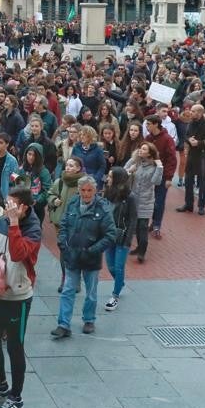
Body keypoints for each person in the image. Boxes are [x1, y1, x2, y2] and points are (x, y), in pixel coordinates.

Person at [0, 186, 41, 408]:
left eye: (12, 205)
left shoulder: (33, 229)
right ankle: (1, 384)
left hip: (18, 298)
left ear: (24, 207)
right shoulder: (1, 222)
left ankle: (16, 396)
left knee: (15, 346)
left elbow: (18, 254)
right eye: (7, 203)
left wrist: (14, 224)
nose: (7, 208)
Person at [53, 177, 113, 338]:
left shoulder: (103, 208)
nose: (86, 194)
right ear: (79, 190)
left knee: (91, 293)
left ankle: (89, 320)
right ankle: (63, 324)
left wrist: (93, 250)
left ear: (95, 190)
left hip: (91, 259)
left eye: (89, 190)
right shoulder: (73, 203)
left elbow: (110, 235)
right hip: (72, 256)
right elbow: (64, 225)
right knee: (67, 291)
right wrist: (63, 245)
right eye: (83, 190)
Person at [101, 167, 136, 312]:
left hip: (122, 236)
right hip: (109, 235)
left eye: (110, 176)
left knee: (119, 266)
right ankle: (119, 282)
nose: (107, 179)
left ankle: (115, 296)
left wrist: (128, 239)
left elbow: (133, 219)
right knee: (110, 266)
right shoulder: (107, 193)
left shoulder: (129, 197)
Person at [124, 142, 163, 263]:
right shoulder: (135, 161)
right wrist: (130, 170)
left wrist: (160, 168)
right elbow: (123, 172)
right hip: (133, 200)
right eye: (140, 148)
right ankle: (138, 247)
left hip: (146, 201)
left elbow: (156, 182)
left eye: (144, 149)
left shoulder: (154, 166)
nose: (141, 150)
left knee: (143, 227)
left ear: (150, 153)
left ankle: (142, 252)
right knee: (135, 226)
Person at [175, 104, 205, 216]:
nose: (190, 113)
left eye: (193, 111)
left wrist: (199, 143)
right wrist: (189, 140)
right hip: (192, 156)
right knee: (188, 181)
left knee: (202, 183)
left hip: (203, 157)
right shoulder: (191, 123)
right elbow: (187, 135)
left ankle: (201, 206)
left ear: (199, 113)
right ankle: (188, 204)